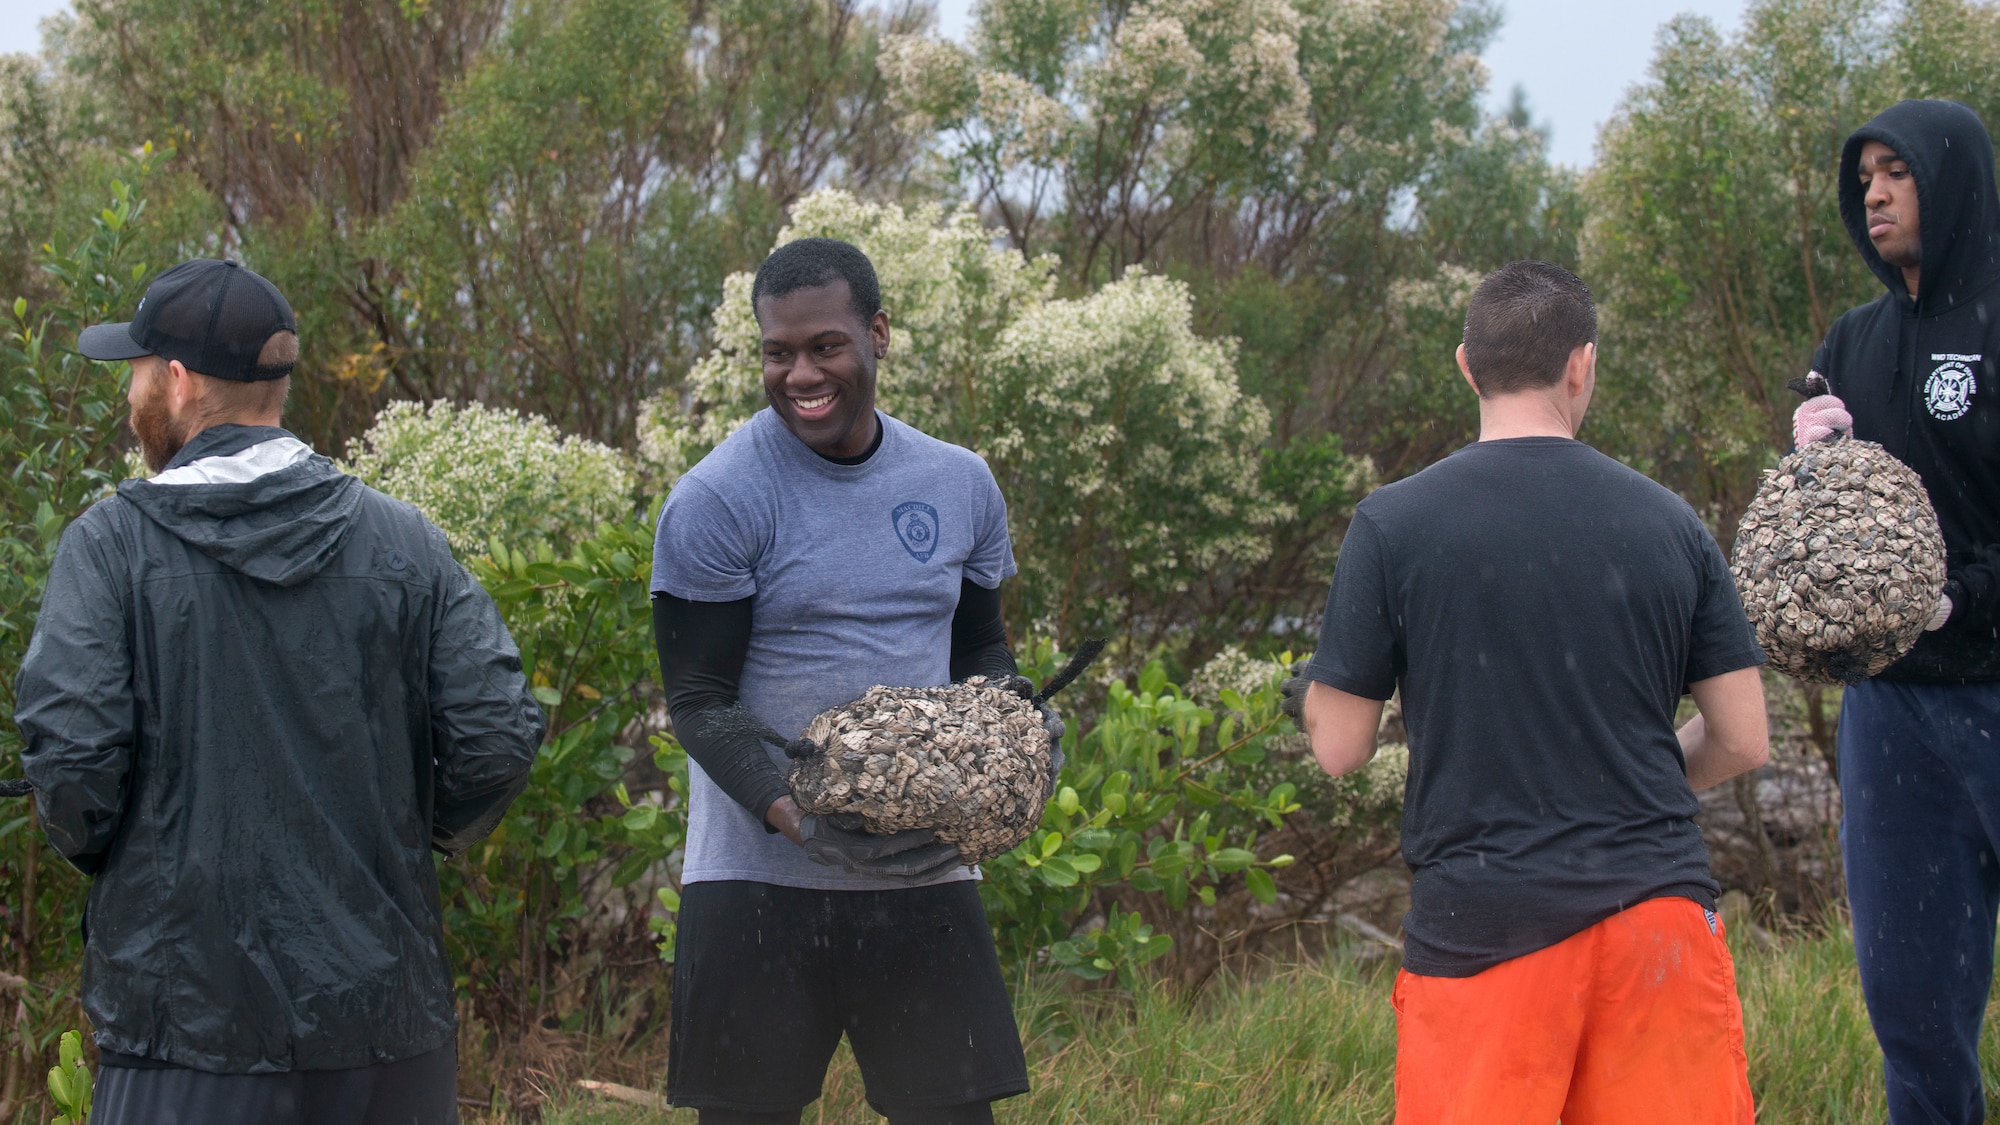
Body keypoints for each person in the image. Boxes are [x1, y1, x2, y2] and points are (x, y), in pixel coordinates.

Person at [14, 259, 545, 1124]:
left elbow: (71, 766)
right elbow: (496, 734)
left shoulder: (110, 547)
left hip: (185, 1037)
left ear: (178, 384)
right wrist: (399, 842)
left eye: (139, 371)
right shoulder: (403, 540)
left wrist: (131, 858)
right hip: (387, 1042)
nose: (133, 393)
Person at [1284, 261, 1771, 1123]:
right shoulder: (1672, 521)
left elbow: (1339, 745)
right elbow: (1740, 736)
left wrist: (1310, 695)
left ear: (1466, 365)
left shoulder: (1394, 524)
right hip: (1655, 923)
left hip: (1484, 930)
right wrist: (1635, 783)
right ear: (1581, 365)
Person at [650, 238, 1054, 1125]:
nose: (801, 373)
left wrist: (1015, 731)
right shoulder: (717, 498)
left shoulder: (958, 483)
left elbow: (981, 653)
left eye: (825, 345)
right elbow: (699, 703)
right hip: (756, 880)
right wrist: (804, 822)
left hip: (923, 876)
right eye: (777, 351)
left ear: (876, 334)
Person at [1790, 99, 2000, 1125]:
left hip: (1999, 685)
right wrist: (1808, 459)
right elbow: (1824, 543)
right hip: (1891, 713)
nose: (1871, 193)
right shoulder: (1851, 341)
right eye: (1862, 175)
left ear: (1950, 178)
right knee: (1910, 1005)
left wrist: (1960, 594)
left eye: (1896, 173)